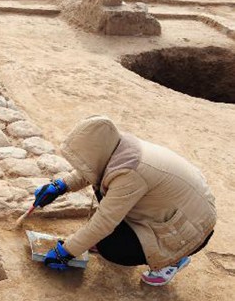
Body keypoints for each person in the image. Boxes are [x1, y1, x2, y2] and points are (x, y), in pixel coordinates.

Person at [34, 115, 216, 286]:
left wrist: (66, 252)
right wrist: (61, 185)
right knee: (104, 195)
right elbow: (94, 167)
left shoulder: (129, 173)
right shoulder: (119, 147)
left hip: (190, 229)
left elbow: (104, 222)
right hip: (175, 210)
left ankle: (174, 258)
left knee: (111, 247)